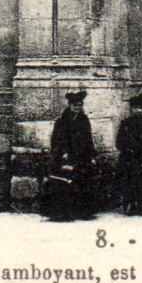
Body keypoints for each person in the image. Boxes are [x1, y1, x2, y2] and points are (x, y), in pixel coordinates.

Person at [43, 90, 96, 221]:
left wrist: (92, 155)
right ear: (69, 105)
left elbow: (88, 139)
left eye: (79, 105)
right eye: (75, 105)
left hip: (82, 156)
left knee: (83, 182)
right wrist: (62, 152)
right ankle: (63, 212)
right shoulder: (61, 121)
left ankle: (83, 212)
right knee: (63, 183)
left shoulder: (84, 121)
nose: (77, 108)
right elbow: (56, 140)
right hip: (65, 156)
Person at [115, 93, 142, 216]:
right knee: (129, 182)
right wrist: (127, 149)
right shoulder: (125, 124)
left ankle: (139, 205)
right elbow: (119, 142)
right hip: (128, 158)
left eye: (140, 108)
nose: (138, 110)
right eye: (136, 108)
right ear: (131, 109)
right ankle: (131, 205)